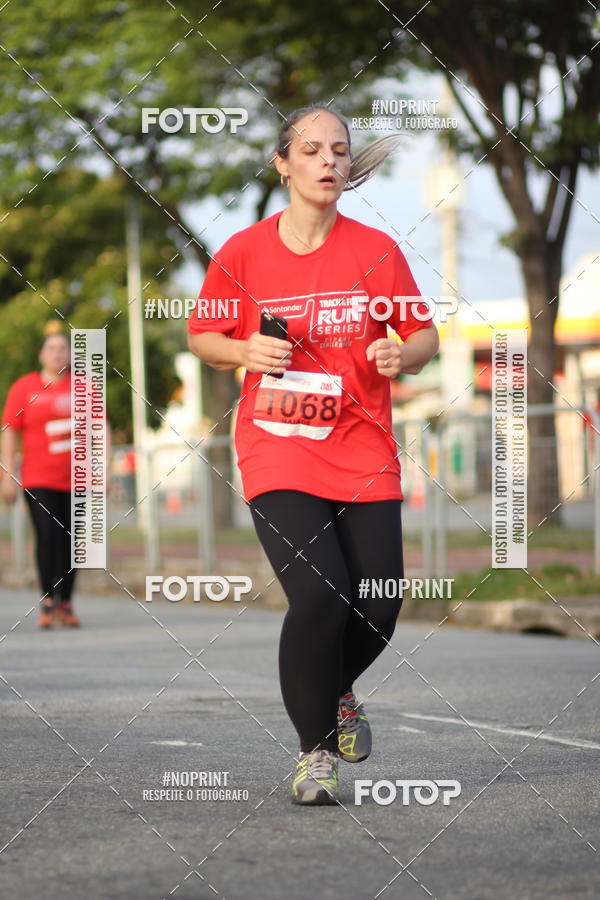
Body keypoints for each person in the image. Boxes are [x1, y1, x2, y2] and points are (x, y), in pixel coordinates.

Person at [187, 104, 440, 806]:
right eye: (312, 150)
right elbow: (203, 337)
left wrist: (401, 353)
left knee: (381, 601)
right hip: (278, 446)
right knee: (321, 592)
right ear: (284, 163)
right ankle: (315, 752)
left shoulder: (375, 251)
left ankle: (335, 689)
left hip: (362, 445)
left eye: (339, 151)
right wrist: (243, 349)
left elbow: (424, 339)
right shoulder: (243, 252)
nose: (329, 161)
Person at [1, 331, 80, 628]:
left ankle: (67, 602)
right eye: (52, 348)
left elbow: (100, 428)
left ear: (71, 355)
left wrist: (104, 468)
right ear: (41, 354)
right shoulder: (24, 388)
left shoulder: (83, 388)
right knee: (48, 536)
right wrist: (7, 473)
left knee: (73, 541)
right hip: (38, 478)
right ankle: (49, 600)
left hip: (77, 478)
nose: (58, 353)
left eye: (64, 348)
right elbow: (10, 430)